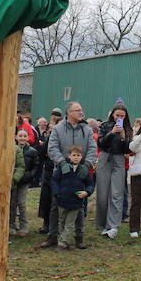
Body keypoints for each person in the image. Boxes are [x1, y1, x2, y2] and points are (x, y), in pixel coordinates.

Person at [44, 102, 96, 246]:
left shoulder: (87, 129)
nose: (81, 112)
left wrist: (86, 164)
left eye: (81, 109)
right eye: (78, 110)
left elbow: (92, 148)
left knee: (80, 206)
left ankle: (79, 237)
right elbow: (52, 148)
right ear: (69, 113)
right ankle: (53, 235)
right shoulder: (58, 129)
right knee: (56, 205)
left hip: (80, 174)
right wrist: (62, 163)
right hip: (62, 174)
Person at [94, 103, 132, 238]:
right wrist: (112, 133)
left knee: (116, 193)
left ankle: (113, 226)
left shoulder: (127, 128)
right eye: (117, 115)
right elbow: (100, 143)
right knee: (103, 194)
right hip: (105, 157)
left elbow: (128, 149)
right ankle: (102, 223)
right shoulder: (105, 125)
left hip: (119, 159)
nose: (119, 118)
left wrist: (123, 136)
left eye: (122, 116)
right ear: (113, 114)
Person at [51, 144, 93, 249]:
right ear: (69, 156)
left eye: (78, 155)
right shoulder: (63, 168)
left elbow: (90, 184)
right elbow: (54, 180)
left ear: (81, 157)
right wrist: (57, 192)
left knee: (69, 223)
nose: (76, 157)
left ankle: (62, 243)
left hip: (76, 202)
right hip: (62, 200)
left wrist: (86, 192)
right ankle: (63, 240)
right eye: (74, 155)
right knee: (61, 221)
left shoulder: (83, 170)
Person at [10, 128, 36, 236]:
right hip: (13, 181)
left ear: (28, 138)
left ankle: (23, 226)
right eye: (20, 136)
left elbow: (35, 167)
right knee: (12, 204)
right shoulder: (12, 149)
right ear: (16, 137)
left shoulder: (32, 151)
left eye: (24, 136)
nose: (22, 138)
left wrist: (29, 176)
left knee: (21, 203)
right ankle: (11, 225)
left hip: (24, 181)